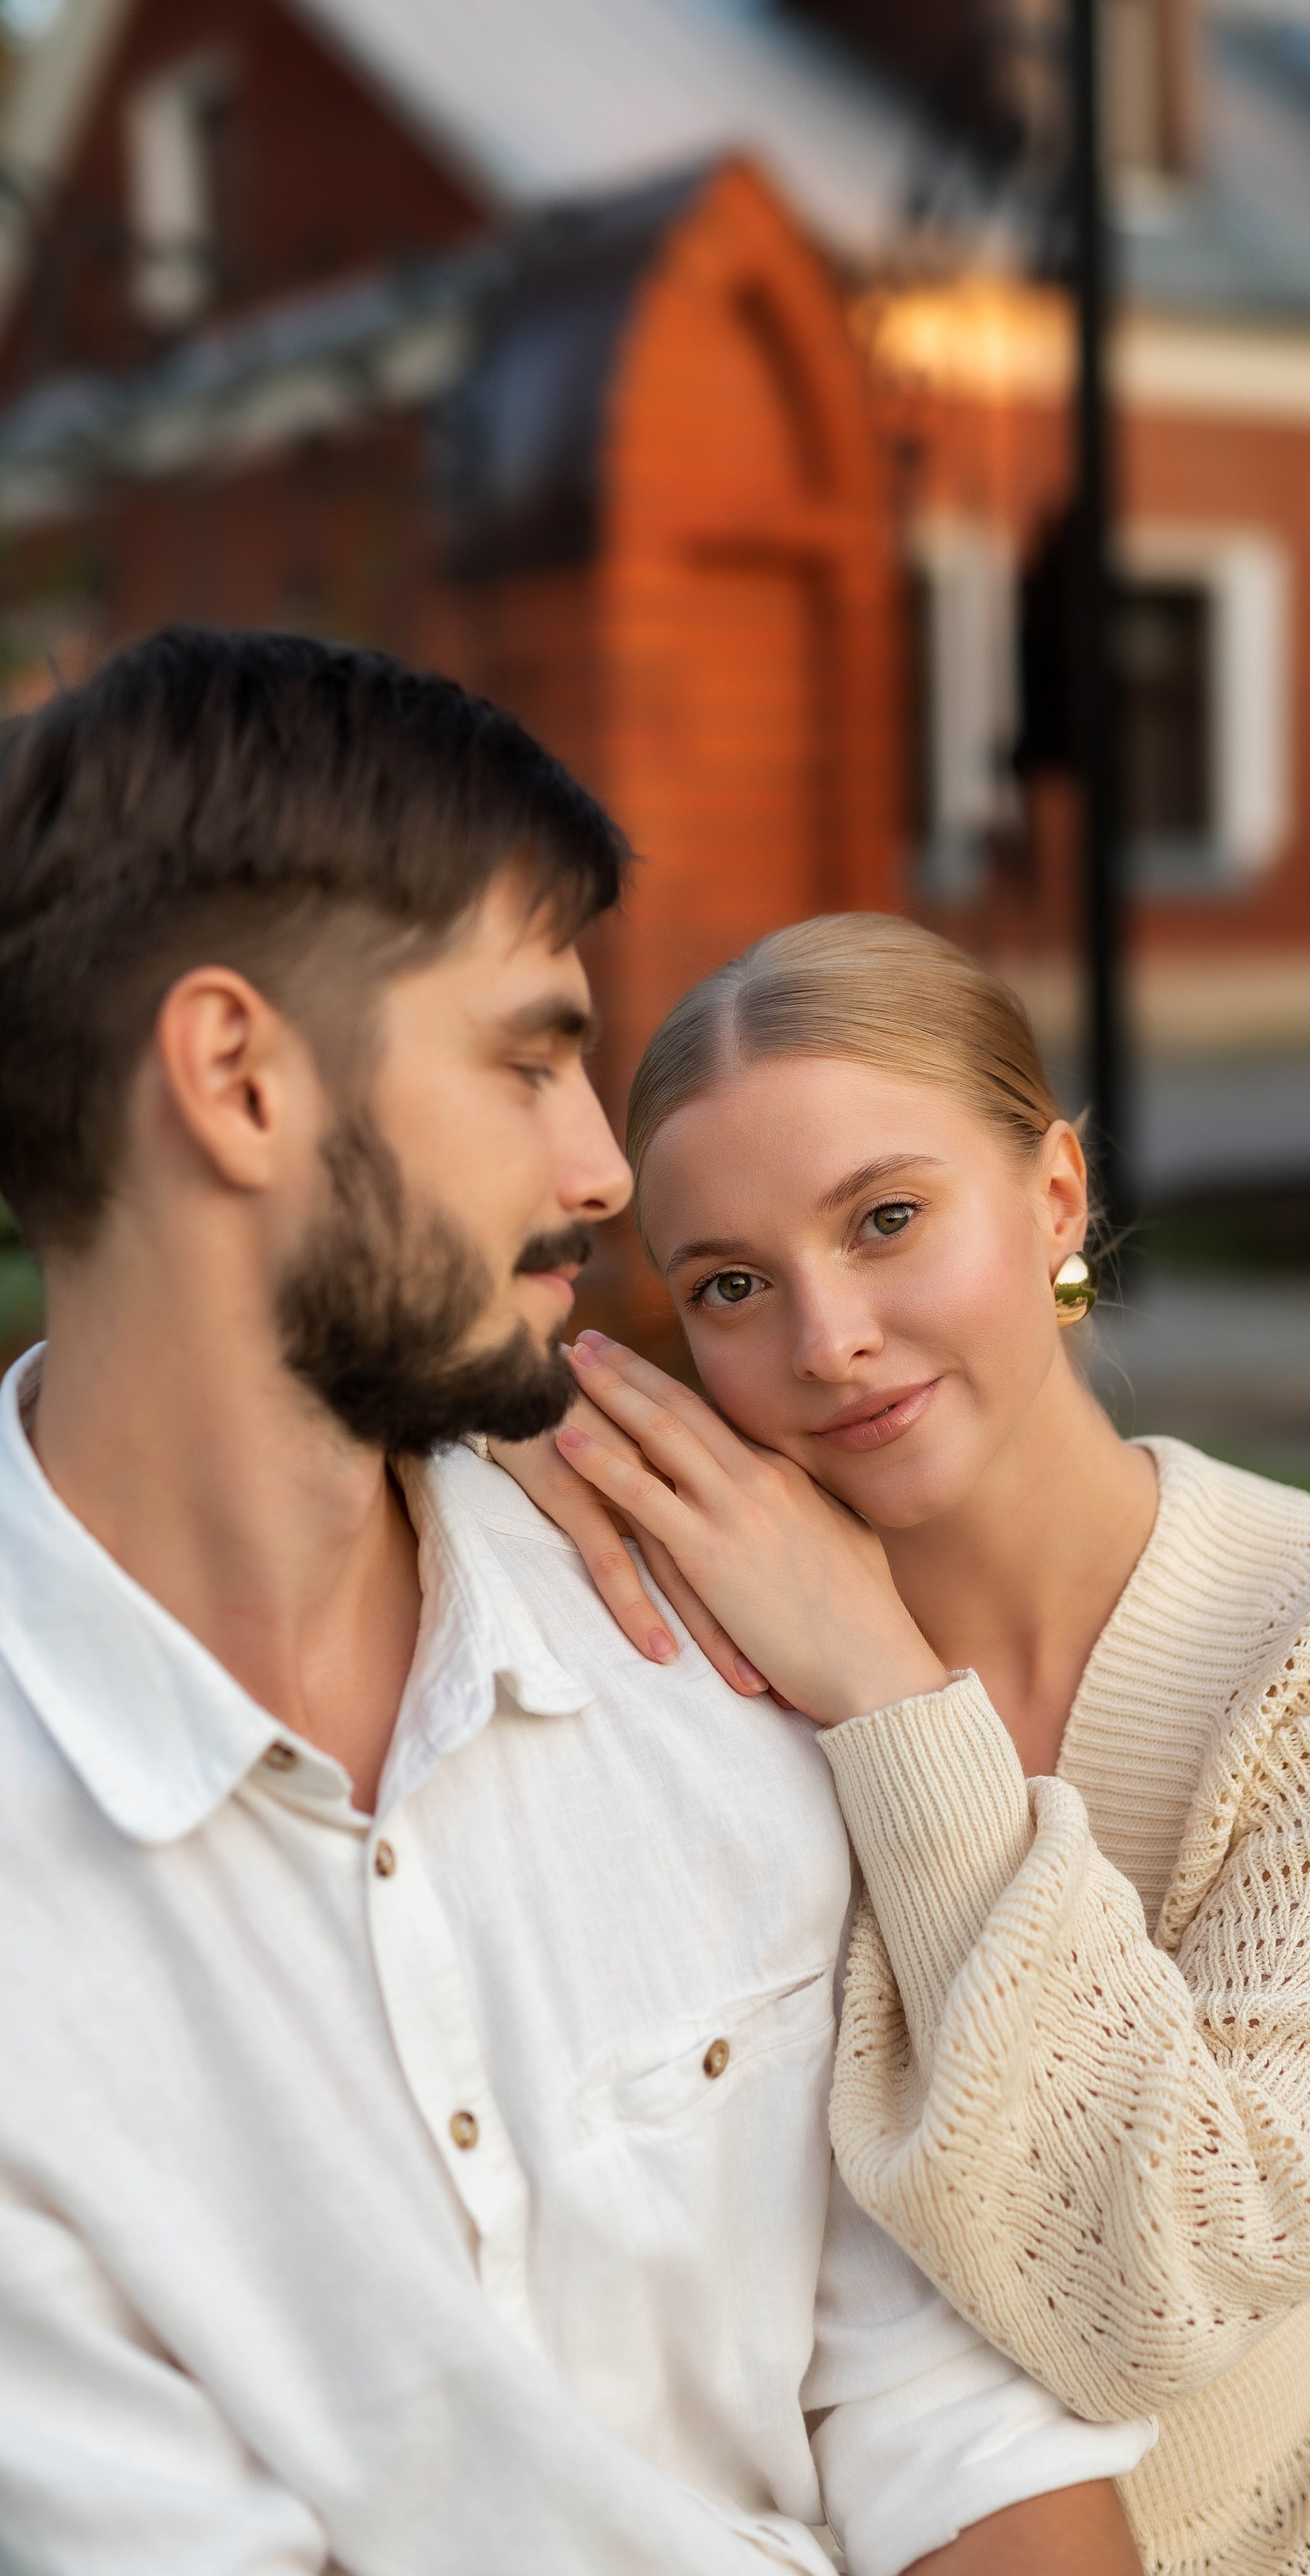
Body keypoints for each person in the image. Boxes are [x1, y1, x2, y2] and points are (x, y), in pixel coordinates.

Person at [0, 634, 1151, 2575]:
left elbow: (945, 2408)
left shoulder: (699, 1605)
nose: (602, 1167)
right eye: (530, 1055)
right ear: (236, 1076)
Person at [497, 912, 1310, 2575]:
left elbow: (1173, 2296)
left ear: (1056, 1197)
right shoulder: (679, 1642)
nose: (825, 1338)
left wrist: (887, 1699)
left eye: (886, 1219)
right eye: (729, 1284)